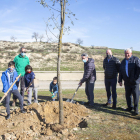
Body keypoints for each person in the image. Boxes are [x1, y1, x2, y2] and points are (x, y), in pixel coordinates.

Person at [118, 48, 140, 115]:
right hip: (127, 81)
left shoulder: (136, 59)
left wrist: (135, 78)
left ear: (131, 53)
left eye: (128, 53)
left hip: (134, 82)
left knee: (135, 96)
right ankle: (130, 107)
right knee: (128, 95)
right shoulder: (123, 61)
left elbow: (138, 70)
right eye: (125, 53)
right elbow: (121, 71)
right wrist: (120, 80)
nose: (127, 54)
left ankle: (136, 109)